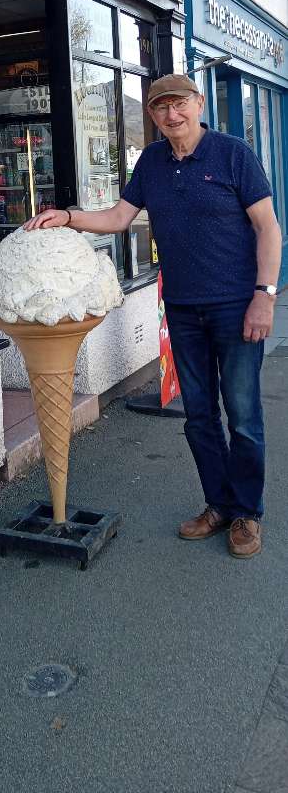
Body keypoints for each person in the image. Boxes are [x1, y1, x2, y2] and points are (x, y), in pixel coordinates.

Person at [25, 74, 282, 559]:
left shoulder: (232, 154)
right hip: (183, 310)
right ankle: (219, 505)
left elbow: (267, 227)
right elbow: (120, 217)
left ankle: (247, 512)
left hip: (236, 307)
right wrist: (69, 217)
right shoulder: (152, 162)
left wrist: (264, 296)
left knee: (244, 417)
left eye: (180, 104)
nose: (172, 115)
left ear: (198, 103)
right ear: (153, 116)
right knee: (200, 417)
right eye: (161, 108)